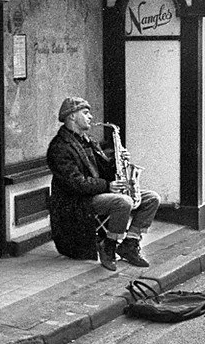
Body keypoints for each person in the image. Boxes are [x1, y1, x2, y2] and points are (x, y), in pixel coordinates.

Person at [47, 96, 160, 272]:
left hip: (95, 194)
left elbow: (103, 168)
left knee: (152, 198)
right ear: (72, 117)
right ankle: (109, 246)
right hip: (76, 202)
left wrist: (118, 161)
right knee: (123, 202)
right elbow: (75, 183)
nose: (90, 117)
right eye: (85, 113)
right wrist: (108, 186)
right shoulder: (59, 147)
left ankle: (130, 243)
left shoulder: (87, 140)